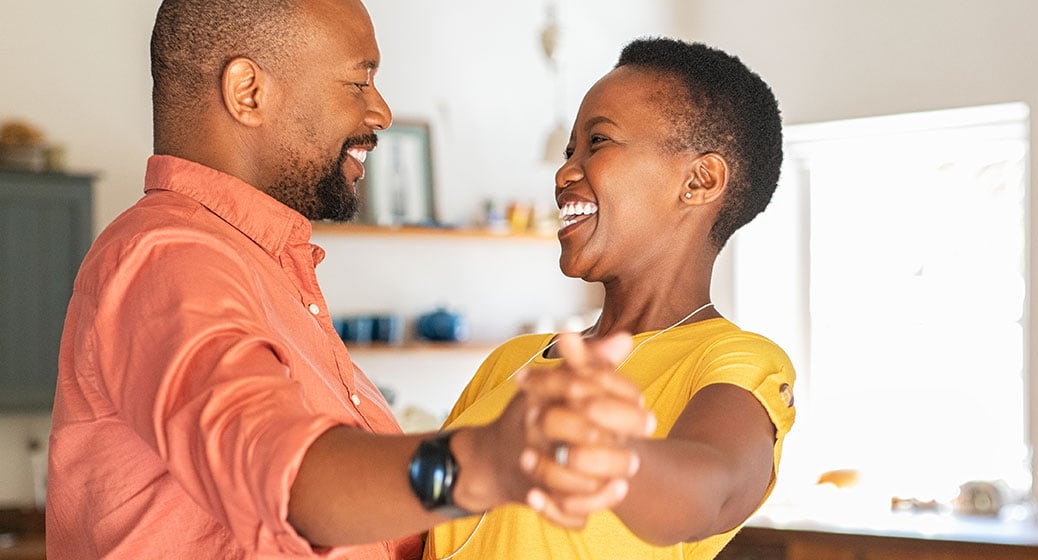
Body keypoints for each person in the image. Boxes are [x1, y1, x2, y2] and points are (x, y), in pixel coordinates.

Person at [47, 1, 651, 558]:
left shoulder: (263, 268)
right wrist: (488, 461)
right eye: (359, 80)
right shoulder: (168, 257)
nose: (380, 111)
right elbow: (286, 473)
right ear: (248, 92)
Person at [423, 37, 796, 560]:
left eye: (597, 142)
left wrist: (602, 452)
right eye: (569, 151)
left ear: (699, 180)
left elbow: (710, 492)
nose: (564, 173)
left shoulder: (734, 361)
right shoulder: (513, 361)